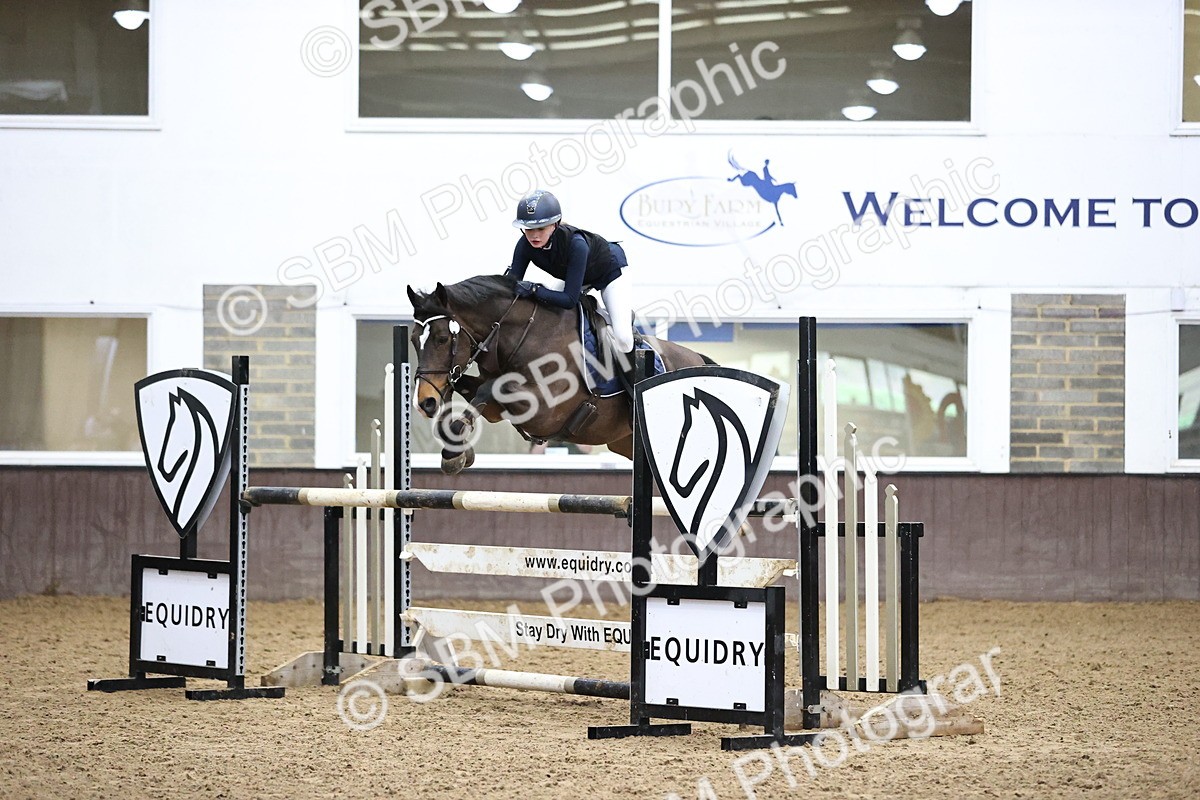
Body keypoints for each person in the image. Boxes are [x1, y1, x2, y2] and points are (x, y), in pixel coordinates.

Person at [505, 189, 637, 387]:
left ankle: (634, 390)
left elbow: (569, 300)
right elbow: (511, 285)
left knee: (623, 338)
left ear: (555, 224)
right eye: (528, 229)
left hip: (610, 271)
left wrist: (533, 290)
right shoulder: (524, 245)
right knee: (550, 317)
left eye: (541, 228)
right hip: (577, 276)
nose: (534, 235)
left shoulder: (576, 244)